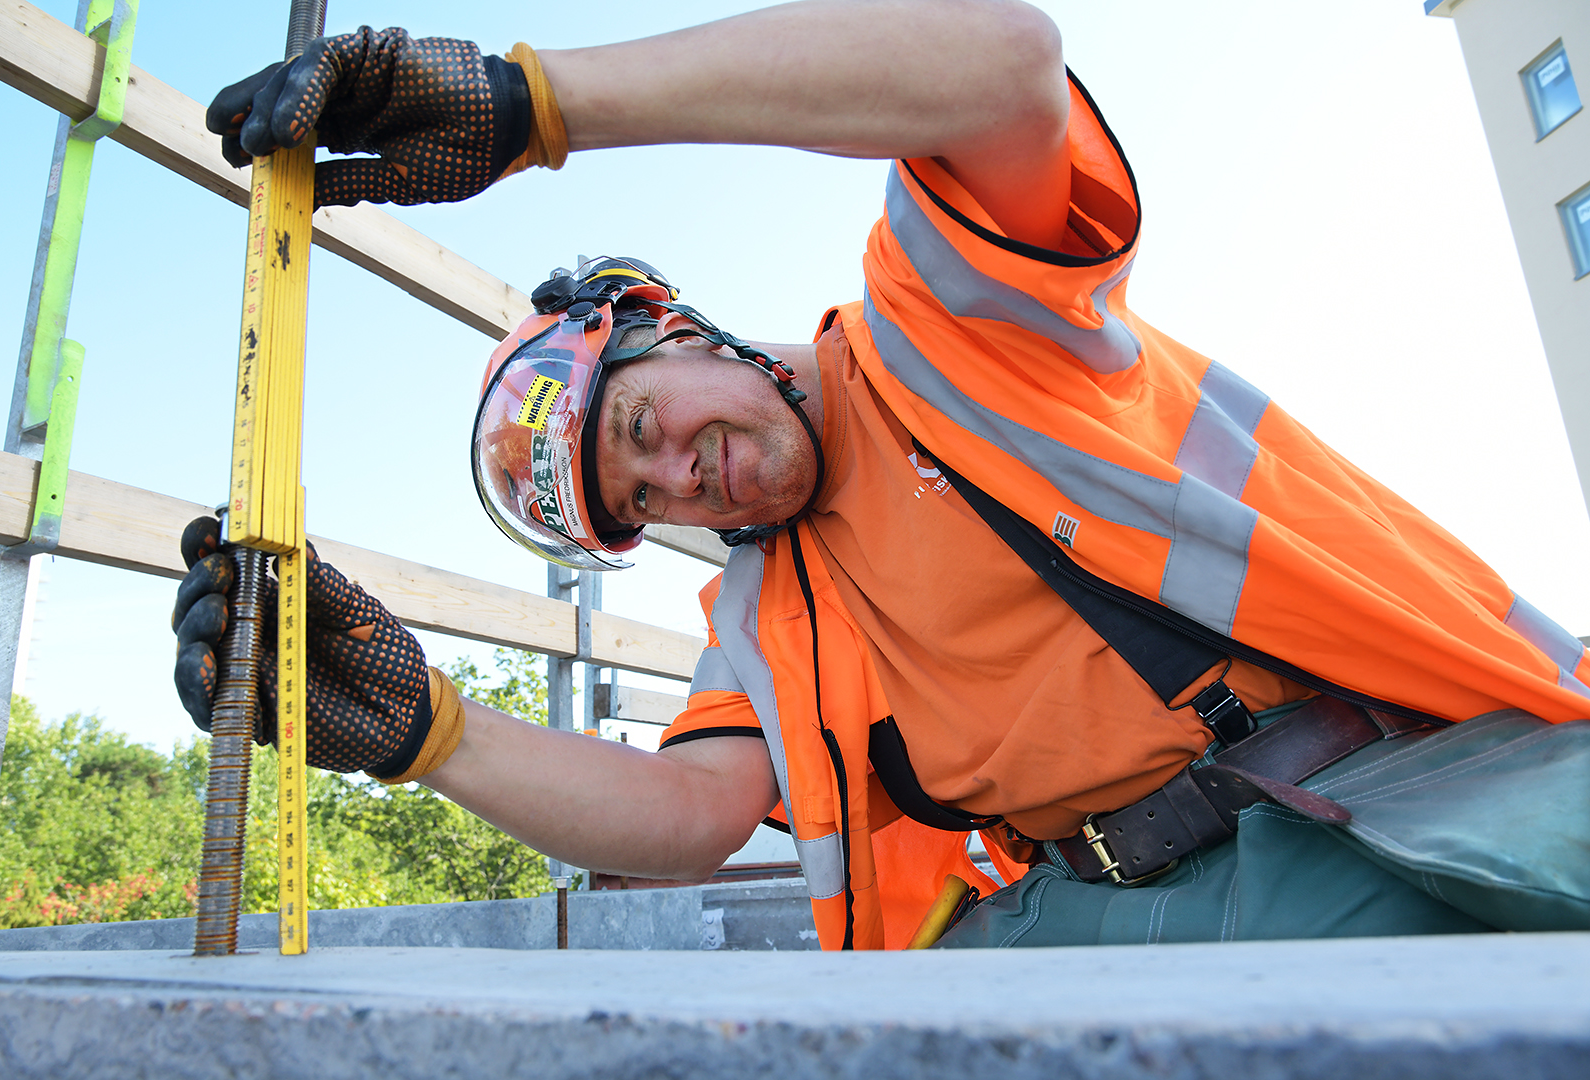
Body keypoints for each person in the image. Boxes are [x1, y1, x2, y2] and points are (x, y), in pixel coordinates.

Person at [176, 1, 1590, 950]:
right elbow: (689, 817)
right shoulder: (769, 609)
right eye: (647, 503)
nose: (683, 480)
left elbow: (1005, 64)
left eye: (641, 430)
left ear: (670, 323)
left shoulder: (953, 325)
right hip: (1064, 917)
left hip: (1338, 828)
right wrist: (421, 731)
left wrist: (540, 102)